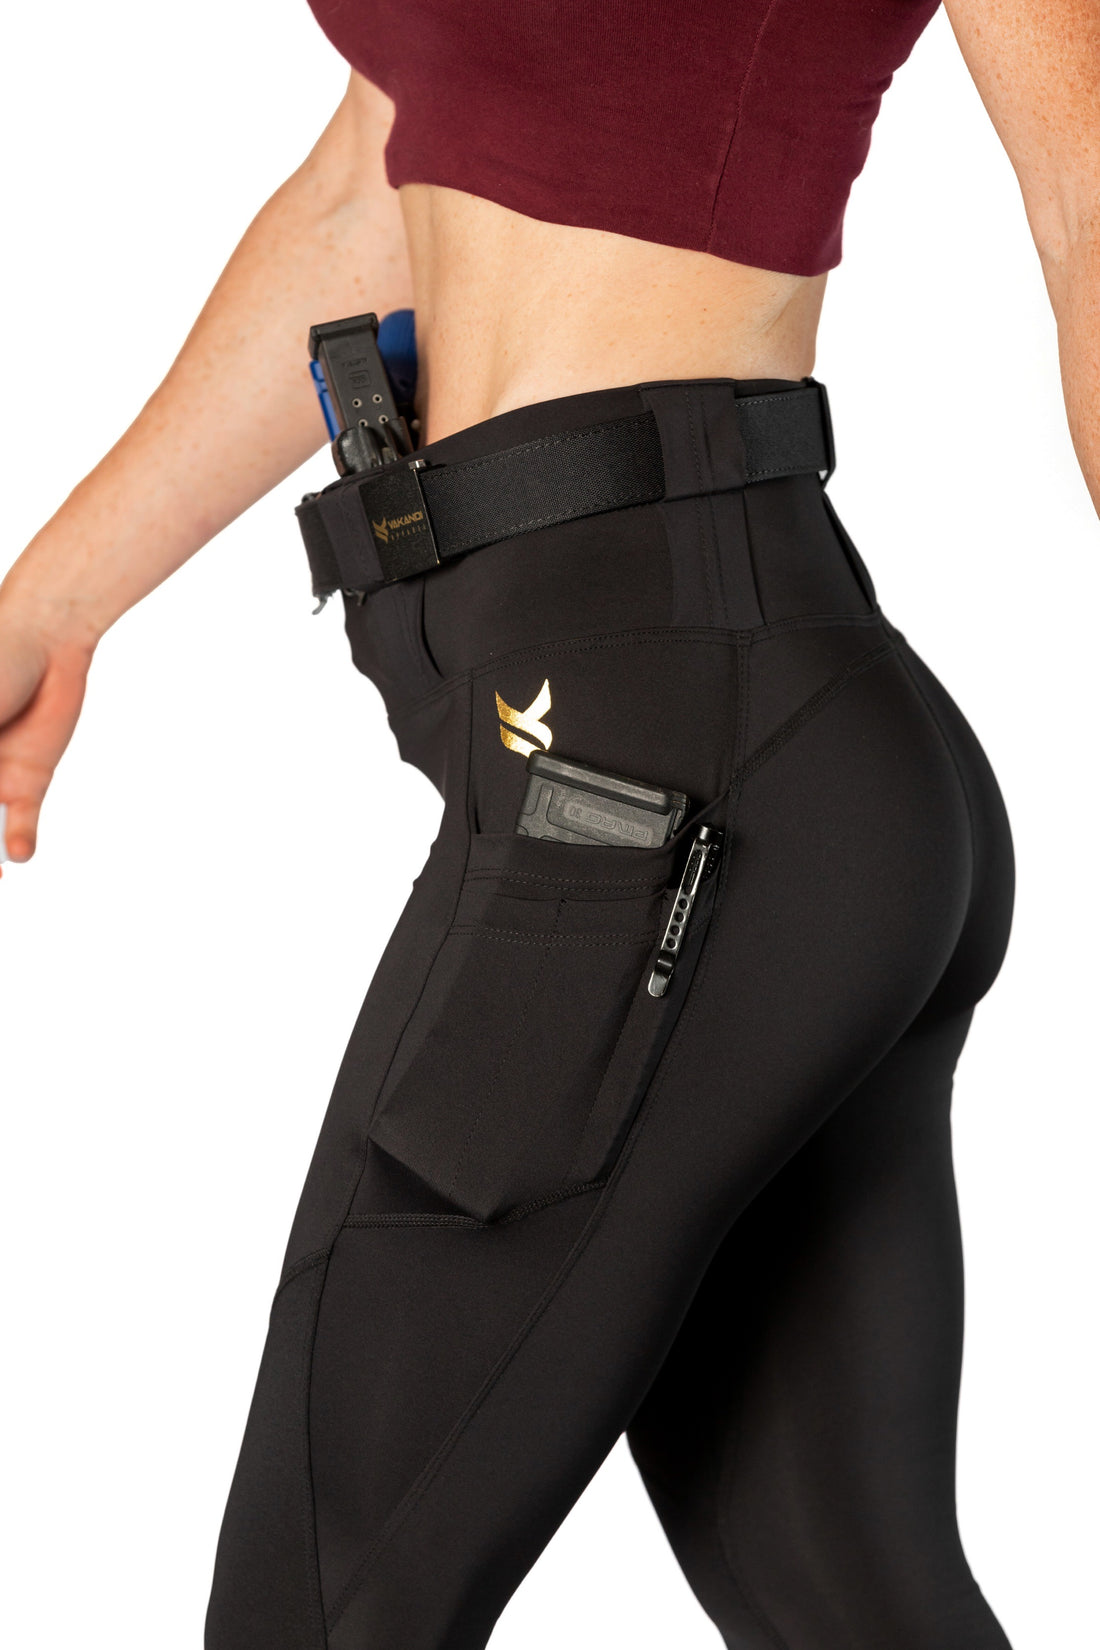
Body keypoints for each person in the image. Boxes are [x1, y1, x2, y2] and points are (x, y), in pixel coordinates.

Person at [0, 2, 1095, 1646]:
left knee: (318, 1610)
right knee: (847, 1599)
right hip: (686, 769)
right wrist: (52, 600)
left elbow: (1087, 193)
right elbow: (373, 179)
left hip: (661, 778)